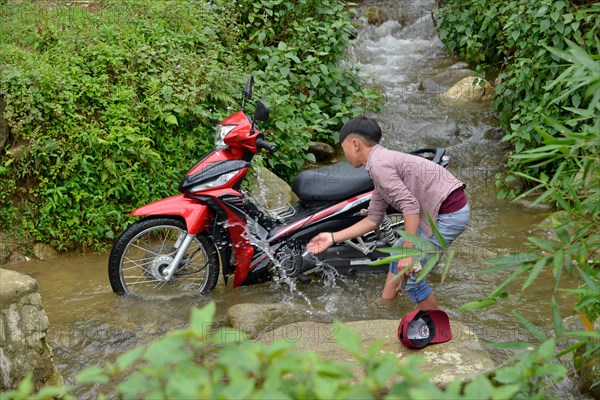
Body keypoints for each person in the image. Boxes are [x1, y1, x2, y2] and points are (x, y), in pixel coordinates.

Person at [306, 117, 470, 310]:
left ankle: (436, 328)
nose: (345, 155)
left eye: (344, 149)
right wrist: (332, 237)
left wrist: (408, 254)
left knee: (410, 273)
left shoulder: (379, 165)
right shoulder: (380, 162)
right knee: (397, 252)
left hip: (448, 214)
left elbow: (410, 207)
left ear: (355, 144)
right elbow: (374, 219)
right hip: (443, 210)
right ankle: (385, 304)